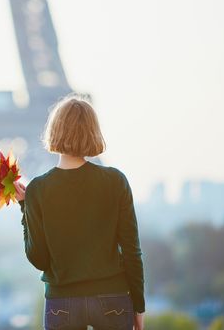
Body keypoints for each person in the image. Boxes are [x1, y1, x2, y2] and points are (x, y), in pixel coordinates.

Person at [13, 93, 145, 330]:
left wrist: (26, 207)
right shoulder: (115, 181)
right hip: (112, 298)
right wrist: (139, 306)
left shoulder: (38, 189)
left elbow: (39, 259)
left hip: (62, 302)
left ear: (54, 131)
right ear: (93, 132)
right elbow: (132, 251)